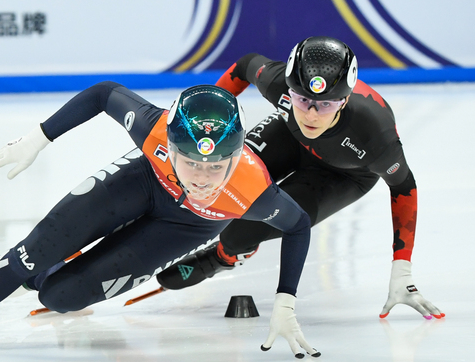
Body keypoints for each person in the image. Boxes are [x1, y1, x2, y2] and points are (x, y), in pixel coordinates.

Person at [0, 83, 320, 359]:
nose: (203, 179)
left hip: (188, 226)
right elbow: (103, 94)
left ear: (237, 154)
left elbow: (298, 226)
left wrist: (286, 299)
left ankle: (49, 274)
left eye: (217, 167)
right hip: (143, 181)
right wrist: (40, 137)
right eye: (191, 163)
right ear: (169, 147)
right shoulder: (152, 129)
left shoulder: (253, 189)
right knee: (34, 251)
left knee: (60, 297)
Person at [154, 36, 444, 320]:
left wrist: (401, 269)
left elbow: (404, 187)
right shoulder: (277, 82)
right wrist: (208, 121)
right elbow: (244, 66)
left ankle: (222, 256)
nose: (312, 115)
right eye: (302, 99)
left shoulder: (373, 134)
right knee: (217, 177)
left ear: (344, 101)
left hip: (343, 174)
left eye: (327, 104)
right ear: (290, 89)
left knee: (241, 232)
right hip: (289, 136)